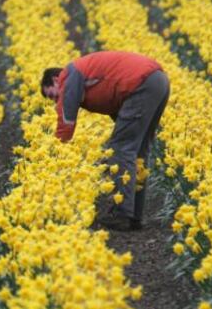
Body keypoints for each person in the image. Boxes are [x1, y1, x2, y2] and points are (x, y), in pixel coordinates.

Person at [41, 50, 169, 231]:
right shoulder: (88, 78)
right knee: (137, 151)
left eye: (53, 95)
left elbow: (67, 118)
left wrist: (56, 150)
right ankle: (134, 215)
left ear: (55, 80)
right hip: (157, 82)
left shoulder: (69, 75)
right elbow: (118, 107)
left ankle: (122, 213)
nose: (56, 101)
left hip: (141, 83)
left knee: (121, 149)